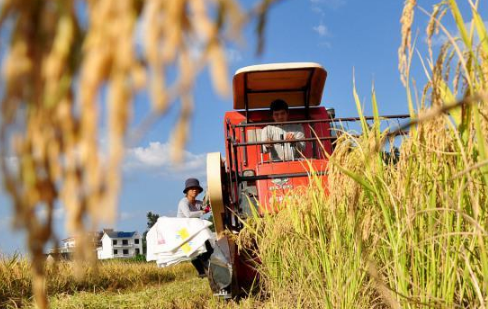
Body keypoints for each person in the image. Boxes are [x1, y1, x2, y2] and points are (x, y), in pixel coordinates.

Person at [177, 178, 213, 278]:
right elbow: (188, 215)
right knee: (193, 253)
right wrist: (203, 212)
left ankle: (208, 269)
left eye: (196, 189)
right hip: (183, 230)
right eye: (192, 188)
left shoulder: (198, 203)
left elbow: (207, 206)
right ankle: (202, 272)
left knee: (208, 247)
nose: (194, 190)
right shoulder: (183, 202)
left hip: (194, 229)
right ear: (187, 191)